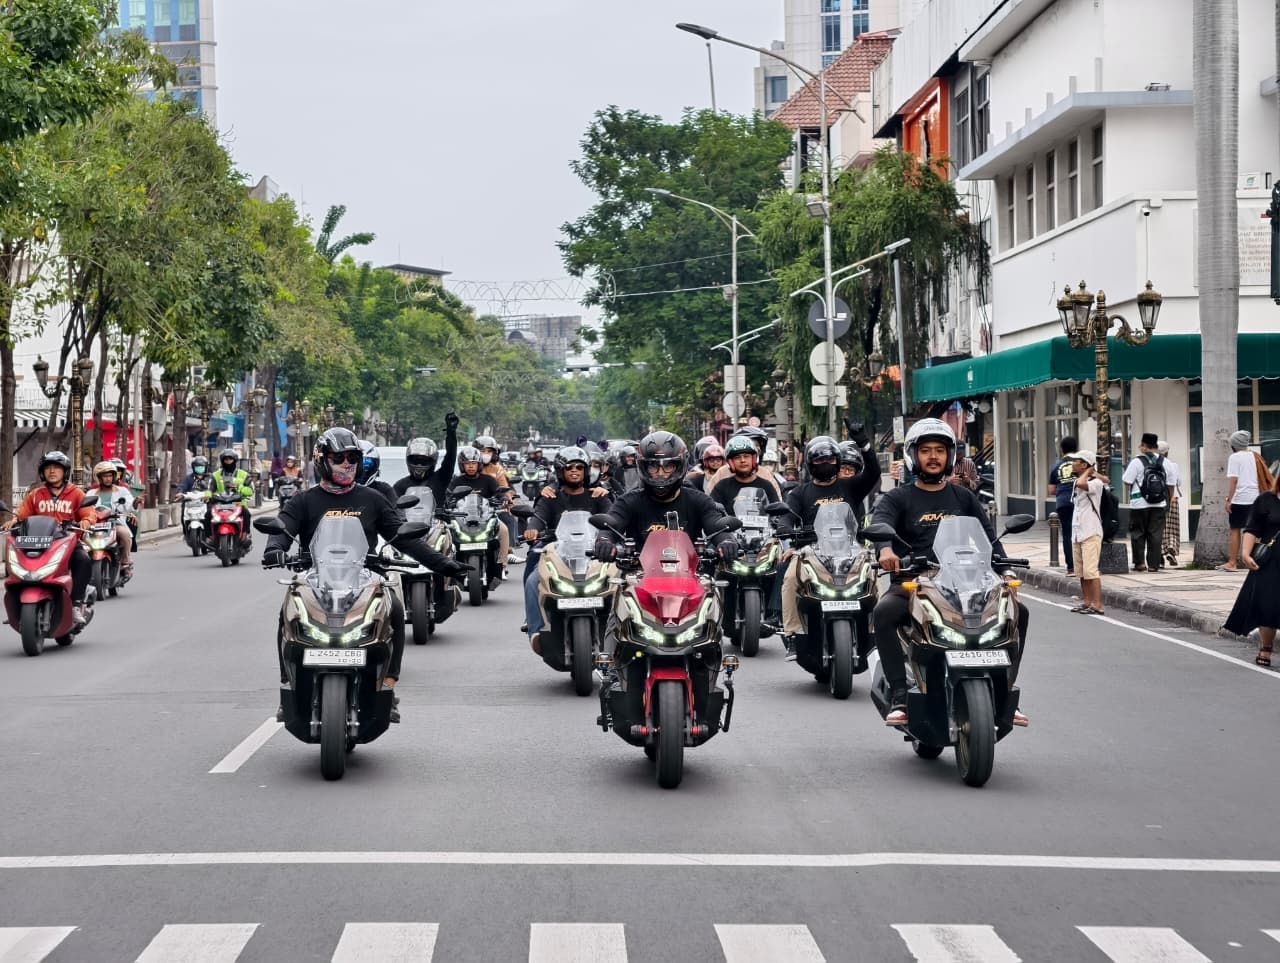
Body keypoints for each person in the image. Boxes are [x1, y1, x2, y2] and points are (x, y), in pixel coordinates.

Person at [264, 428, 469, 721]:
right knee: (287, 613)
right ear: (322, 460)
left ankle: (388, 684)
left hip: (363, 580)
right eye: (339, 458)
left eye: (353, 458)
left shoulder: (373, 499)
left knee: (395, 608)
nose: (347, 464)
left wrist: (444, 564)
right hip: (315, 581)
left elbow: (404, 538)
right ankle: (289, 685)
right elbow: (282, 528)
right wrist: (275, 548)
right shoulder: (303, 500)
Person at [870, 419, 1029, 727]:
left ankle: (1006, 693)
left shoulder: (964, 498)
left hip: (966, 583)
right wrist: (886, 552)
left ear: (950, 456)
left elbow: (988, 538)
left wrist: (1005, 569)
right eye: (926, 450)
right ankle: (901, 696)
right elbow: (882, 523)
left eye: (940, 450)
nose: (933, 456)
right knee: (885, 612)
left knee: (1018, 612)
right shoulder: (898, 497)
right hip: (914, 581)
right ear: (913, 456)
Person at [593, 431, 736, 693]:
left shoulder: (697, 499)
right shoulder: (631, 500)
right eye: (653, 466)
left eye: (667, 465)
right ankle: (612, 666)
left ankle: (713, 662)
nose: (660, 472)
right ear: (642, 467)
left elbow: (716, 523)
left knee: (713, 604)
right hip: (640, 578)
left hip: (689, 578)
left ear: (679, 465)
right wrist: (604, 540)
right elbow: (612, 522)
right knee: (619, 602)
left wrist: (726, 540)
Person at [778, 429, 882, 656]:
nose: (825, 463)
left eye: (830, 458)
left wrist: (864, 443)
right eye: (820, 459)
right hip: (812, 552)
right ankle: (793, 634)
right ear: (810, 463)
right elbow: (786, 516)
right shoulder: (799, 493)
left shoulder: (851, 486)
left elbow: (873, 473)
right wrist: (785, 528)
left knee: (878, 576)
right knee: (789, 577)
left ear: (838, 461)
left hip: (852, 550)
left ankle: (877, 633)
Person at [521, 446, 613, 653]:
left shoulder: (598, 495)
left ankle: (619, 627)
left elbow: (613, 519)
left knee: (620, 580)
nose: (574, 471)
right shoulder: (550, 496)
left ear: (586, 471)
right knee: (533, 580)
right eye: (569, 467)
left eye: (579, 467)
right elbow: (538, 517)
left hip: (595, 555)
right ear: (560, 471)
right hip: (556, 553)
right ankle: (535, 629)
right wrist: (532, 530)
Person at [2, 452, 95, 624]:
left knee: (83, 560)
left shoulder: (76, 493)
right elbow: (22, 514)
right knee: (13, 560)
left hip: (66, 541)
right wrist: (14, 521)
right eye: (48, 468)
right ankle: (16, 604)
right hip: (37, 542)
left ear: (65, 471)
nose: (52, 471)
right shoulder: (36, 494)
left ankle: (75, 604)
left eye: (56, 468)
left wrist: (87, 521)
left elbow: (88, 513)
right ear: (42, 472)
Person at [1223, 467, 1280, 665]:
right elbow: (1253, 528)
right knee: (1267, 605)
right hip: (1270, 561)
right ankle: (1266, 648)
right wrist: (1245, 554)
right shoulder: (1266, 500)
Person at [451, 445, 512, 575]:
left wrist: (504, 499)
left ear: (479, 464)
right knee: (445, 533)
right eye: (467, 463)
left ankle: (502, 564)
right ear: (462, 465)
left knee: (504, 530)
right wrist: (447, 503)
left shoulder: (488, 480)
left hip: (485, 517)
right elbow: (448, 495)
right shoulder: (456, 481)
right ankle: (448, 564)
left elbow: (499, 493)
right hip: (461, 519)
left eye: (474, 463)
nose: (471, 466)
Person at [1121, 432, 1173, 572]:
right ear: (1155, 446)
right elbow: (1171, 484)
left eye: (1141, 445)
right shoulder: (1165, 462)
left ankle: (1139, 563)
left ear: (1144, 446)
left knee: (1138, 533)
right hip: (1159, 504)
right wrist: (1169, 499)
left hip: (1139, 504)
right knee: (1155, 534)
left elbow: (1127, 481)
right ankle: (1154, 565)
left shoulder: (1137, 461)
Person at [1067, 450, 1107, 615]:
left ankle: (1097, 604)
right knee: (1082, 571)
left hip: (1091, 531)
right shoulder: (1080, 479)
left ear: (1084, 464)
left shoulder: (1096, 483)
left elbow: (1082, 484)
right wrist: (1087, 471)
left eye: (1076, 461)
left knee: (1091, 571)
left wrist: (1089, 471)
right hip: (1078, 531)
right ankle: (1086, 601)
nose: (1072, 464)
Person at [393, 412, 460, 506]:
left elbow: (450, 457)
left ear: (433, 461)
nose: (419, 465)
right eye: (416, 461)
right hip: (408, 521)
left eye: (424, 461)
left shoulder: (441, 478)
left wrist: (451, 432)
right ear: (408, 460)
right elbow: (392, 509)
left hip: (436, 520)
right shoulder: (400, 486)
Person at [1224, 430, 1268, 572]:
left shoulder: (1235, 457)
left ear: (1234, 444)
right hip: (1255, 498)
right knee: (1253, 531)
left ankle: (1232, 563)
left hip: (1240, 499)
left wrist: (1229, 499)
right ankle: (1252, 561)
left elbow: (1234, 481)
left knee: (1235, 530)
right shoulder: (1254, 456)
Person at [84, 461, 137, 577]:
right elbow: (84, 507)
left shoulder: (122, 491)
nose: (108, 479)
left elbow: (129, 505)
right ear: (99, 477)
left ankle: (125, 562)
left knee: (124, 534)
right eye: (105, 476)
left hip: (114, 524)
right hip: (95, 525)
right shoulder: (91, 493)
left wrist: (135, 503)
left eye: (110, 476)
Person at [710, 435, 780, 513]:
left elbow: (777, 512)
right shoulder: (722, 486)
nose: (742, 460)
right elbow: (712, 511)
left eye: (746, 456)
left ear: (753, 459)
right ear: (731, 462)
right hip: (730, 525)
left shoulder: (767, 485)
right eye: (737, 457)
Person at [209, 448, 255, 547]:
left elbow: (251, 491)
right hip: (220, 504)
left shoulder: (244, 475)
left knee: (247, 514)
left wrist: (239, 487)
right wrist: (208, 496)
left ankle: (245, 535)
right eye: (226, 460)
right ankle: (210, 537)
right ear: (222, 461)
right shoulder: (215, 475)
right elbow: (210, 489)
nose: (228, 462)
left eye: (230, 459)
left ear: (235, 460)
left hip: (238, 504)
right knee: (207, 514)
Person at [1047, 436, 1078, 576]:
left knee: (1067, 534)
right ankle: (1083, 565)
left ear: (1062, 449)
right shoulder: (1081, 463)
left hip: (1063, 502)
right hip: (1080, 501)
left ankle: (1071, 567)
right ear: (1076, 448)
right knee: (1082, 534)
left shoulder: (1056, 466)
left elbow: (1051, 490)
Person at [1157, 439, 1183, 568]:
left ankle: (1160, 555)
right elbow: (1178, 482)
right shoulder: (1173, 465)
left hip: (1157, 501)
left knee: (1159, 528)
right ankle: (1171, 547)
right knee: (1172, 527)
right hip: (1173, 498)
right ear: (1167, 452)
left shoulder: (1152, 464)